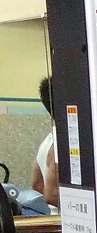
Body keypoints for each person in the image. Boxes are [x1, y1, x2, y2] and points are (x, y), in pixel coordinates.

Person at [30, 77, 58, 209]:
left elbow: (37, 184)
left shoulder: (48, 140)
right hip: (68, 217)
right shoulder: (61, 145)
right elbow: (51, 195)